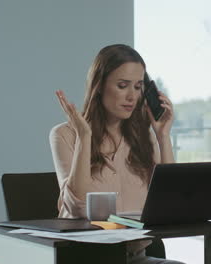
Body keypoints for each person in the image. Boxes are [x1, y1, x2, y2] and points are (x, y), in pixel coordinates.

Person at [49, 44, 185, 264]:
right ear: (100, 85)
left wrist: (163, 137)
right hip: (84, 258)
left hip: (135, 257)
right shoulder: (65, 135)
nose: (132, 96)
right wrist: (85, 137)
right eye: (123, 86)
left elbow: (170, 205)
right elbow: (78, 207)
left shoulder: (145, 138)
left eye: (138, 86)